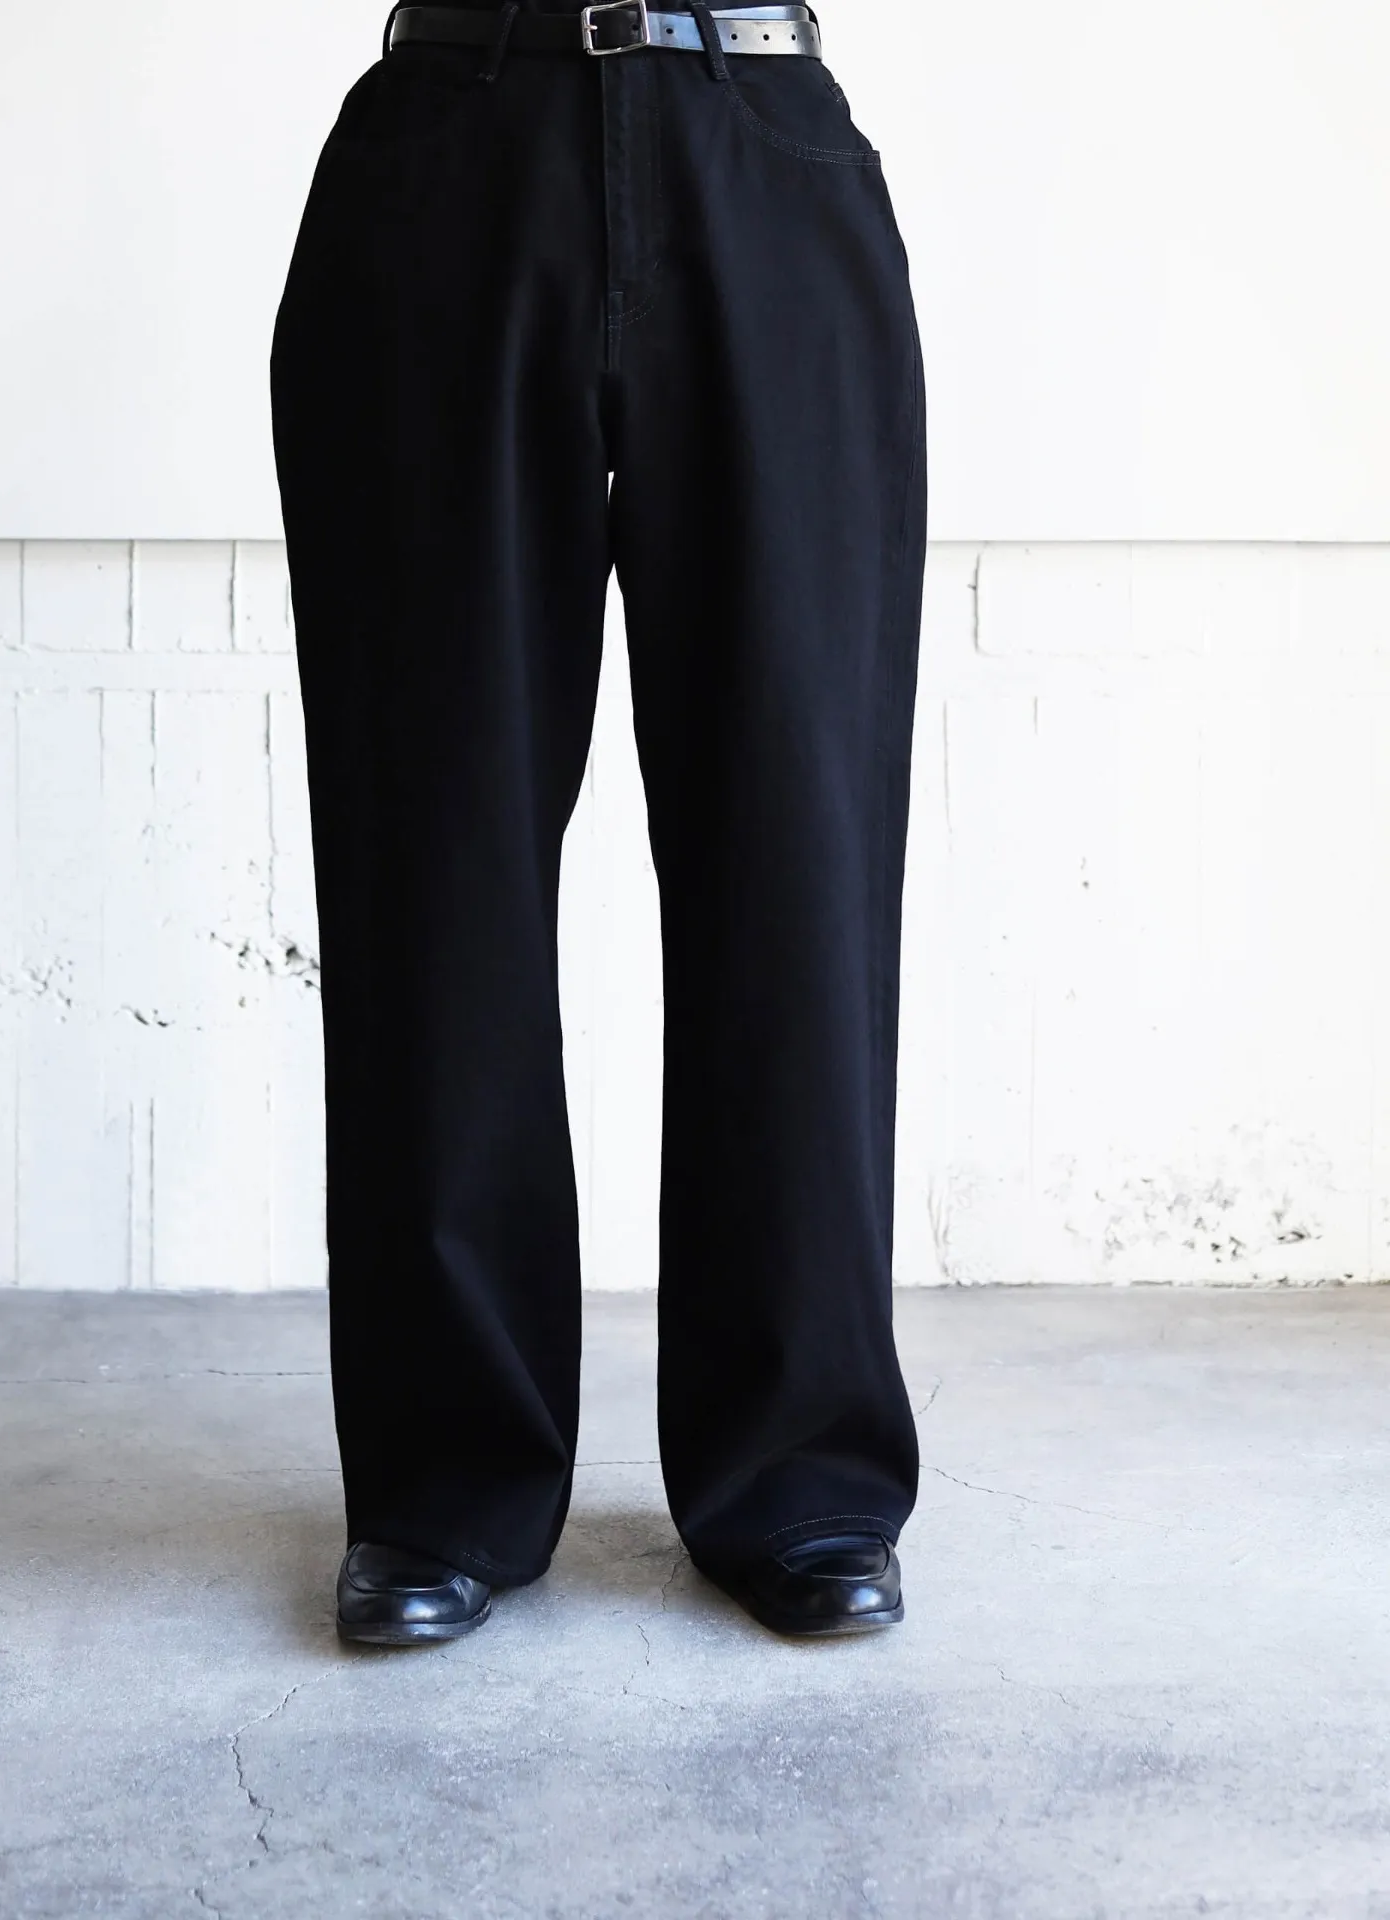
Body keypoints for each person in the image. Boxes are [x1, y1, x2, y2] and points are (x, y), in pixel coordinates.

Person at [270, 0, 926, 1643]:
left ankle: (805, 1468)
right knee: (435, 849)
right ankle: (444, 1480)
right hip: (453, 132)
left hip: (757, 133)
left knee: (797, 851)